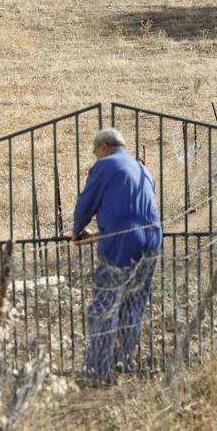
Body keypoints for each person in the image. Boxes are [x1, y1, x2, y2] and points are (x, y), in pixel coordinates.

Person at [71, 126, 162, 382]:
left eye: (95, 151)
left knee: (104, 305)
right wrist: (100, 235)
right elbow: (134, 215)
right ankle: (122, 362)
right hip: (152, 239)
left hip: (122, 241)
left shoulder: (105, 165)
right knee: (133, 304)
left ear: (103, 147)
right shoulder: (143, 170)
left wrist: (77, 230)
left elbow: (86, 202)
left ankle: (97, 371)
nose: (95, 155)